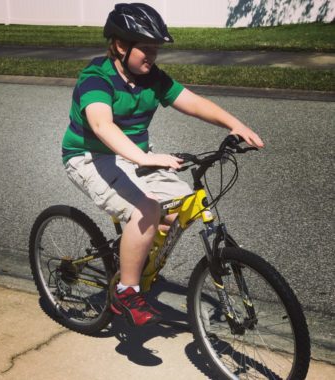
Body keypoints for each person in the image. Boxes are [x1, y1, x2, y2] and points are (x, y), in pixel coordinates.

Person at [62, 3, 264, 327]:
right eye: (146, 48)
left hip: (135, 156)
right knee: (147, 210)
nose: (152, 55)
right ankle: (127, 291)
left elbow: (193, 102)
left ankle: (133, 252)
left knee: (180, 206)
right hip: (91, 157)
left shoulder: (152, 78)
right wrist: (144, 157)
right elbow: (102, 125)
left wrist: (234, 124)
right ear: (119, 45)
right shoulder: (96, 77)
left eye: (156, 48)